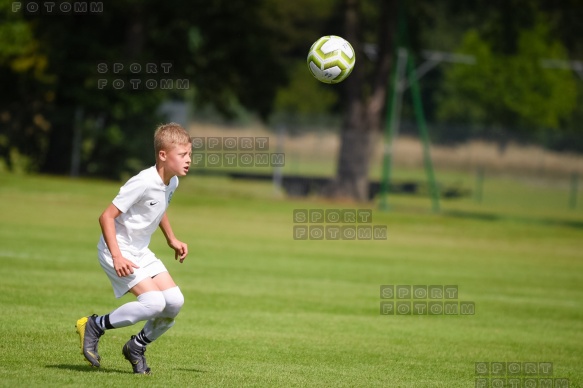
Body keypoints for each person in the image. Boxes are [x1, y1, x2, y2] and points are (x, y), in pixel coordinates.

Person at [75, 122, 192, 374]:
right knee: (153, 303)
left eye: (189, 154)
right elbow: (106, 216)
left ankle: (136, 346)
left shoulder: (171, 182)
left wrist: (171, 238)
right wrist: (117, 256)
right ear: (163, 155)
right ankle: (95, 325)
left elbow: (158, 208)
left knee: (174, 302)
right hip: (116, 249)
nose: (188, 160)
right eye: (182, 154)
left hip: (140, 250)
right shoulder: (143, 181)